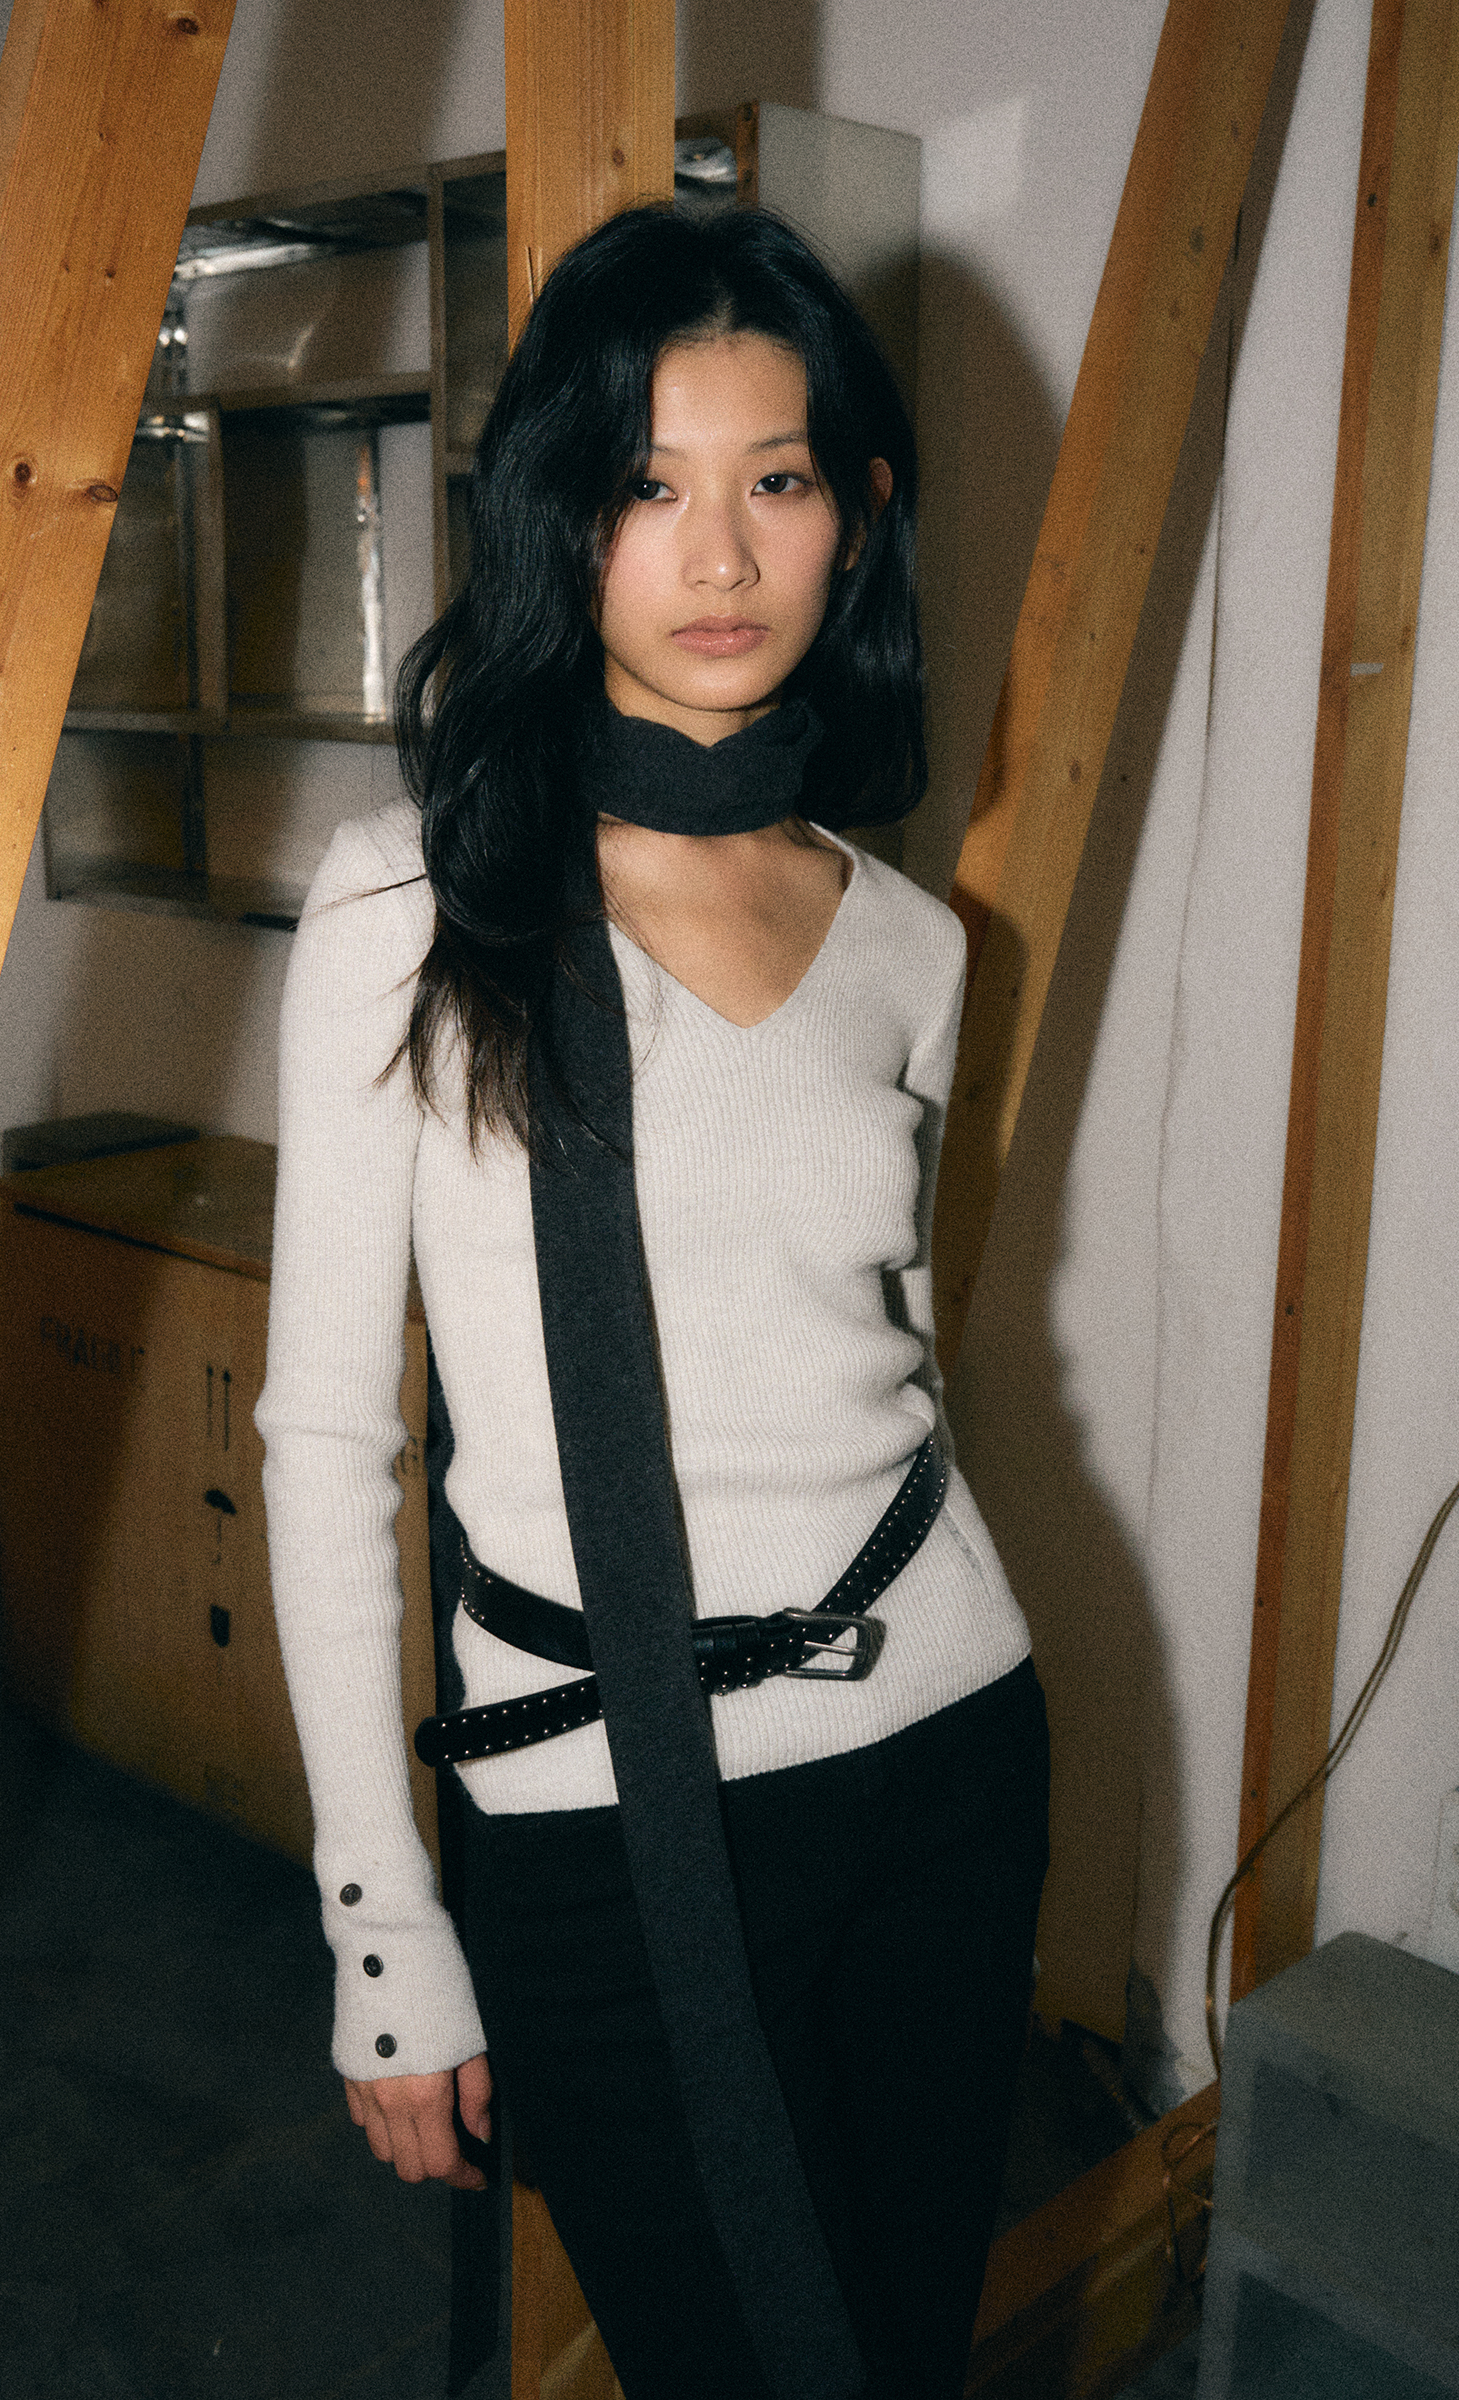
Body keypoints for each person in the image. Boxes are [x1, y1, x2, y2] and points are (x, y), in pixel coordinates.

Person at [256, 204, 1048, 2400]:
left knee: (900, 2348)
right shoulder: (409, 905)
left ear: (854, 514)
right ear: (559, 517)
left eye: (773, 479)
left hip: (945, 1752)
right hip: (598, 1810)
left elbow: (870, 1361)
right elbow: (327, 1441)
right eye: (644, 482)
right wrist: (380, 1923)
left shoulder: (912, 942)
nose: (716, 553)